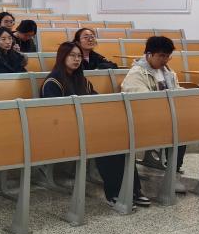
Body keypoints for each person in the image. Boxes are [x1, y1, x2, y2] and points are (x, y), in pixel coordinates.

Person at [41, 42, 149, 208]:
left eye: (79, 56)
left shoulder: (82, 81)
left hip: (87, 128)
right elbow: (55, 116)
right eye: (72, 55)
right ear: (62, 57)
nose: (77, 59)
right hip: (65, 132)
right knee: (105, 143)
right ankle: (114, 194)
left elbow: (97, 102)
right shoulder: (53, 82)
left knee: (121, 140)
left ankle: (134, 190)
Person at [121, 36, 186, 194]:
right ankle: (172, 174)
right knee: (179, 130)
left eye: (168, 56)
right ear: (149, 54)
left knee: (186, 128)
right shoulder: (137, 74)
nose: (165, 60)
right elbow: (142, 102)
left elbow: (176, 91)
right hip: (143, 120)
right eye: (161, 55)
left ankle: (174, 171)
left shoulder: (168, 72)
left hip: (166, 116)